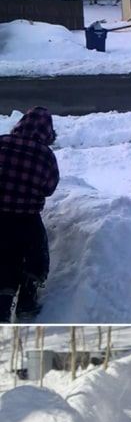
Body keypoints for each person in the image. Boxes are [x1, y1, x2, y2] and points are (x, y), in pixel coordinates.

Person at [0, 106, 60, 321]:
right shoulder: (46, 155)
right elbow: (49, 188)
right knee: (36, 257)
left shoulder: (2, 142)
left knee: (4, 260)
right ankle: (27, 301)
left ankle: (2, 307)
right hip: (26, 220)